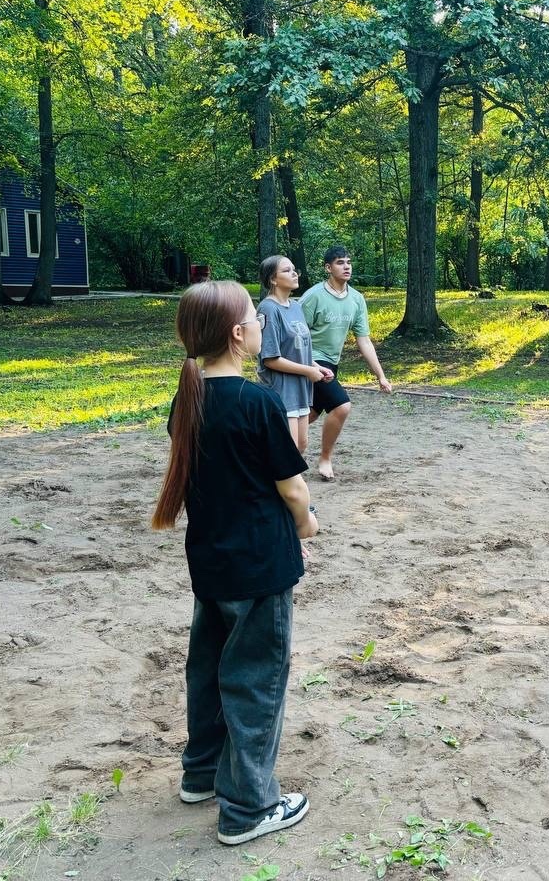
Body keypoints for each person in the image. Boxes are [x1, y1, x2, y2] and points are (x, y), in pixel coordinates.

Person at [151, 279, 318, 846]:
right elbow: (291, 487)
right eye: (255, 316)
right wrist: (306, 523)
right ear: (237, 333)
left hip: (211, 563)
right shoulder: (258, 401)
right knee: (255, 677)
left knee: (208, 667)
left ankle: (201, 773)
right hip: (259, 566)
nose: (261, 323)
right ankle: (248, 806)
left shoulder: (188, 400)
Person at [298, 245, 392, 480]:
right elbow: (295, 336)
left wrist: (380, 376)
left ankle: (269, 446)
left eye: (348, 262)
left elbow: (364, 341)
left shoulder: (357, 299)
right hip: (311, 361)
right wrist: (310, 365)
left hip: (332, 364)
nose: (346, 266)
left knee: (310, 414)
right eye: (340, 262)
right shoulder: (313, 296)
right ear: (328, 268)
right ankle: (325, 459)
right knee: (341, 406)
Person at [255, 255, 332, 452]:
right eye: (287, 270)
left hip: (300, 390)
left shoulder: (296, 307)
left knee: (301, 447)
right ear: (273, 279)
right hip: (281, 390)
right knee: (288, 451)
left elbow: (298, 349)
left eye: (294, 269)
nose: (294, 274)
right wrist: (308, 371)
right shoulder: (268, 309)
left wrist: (317, 367)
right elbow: (270, 359)